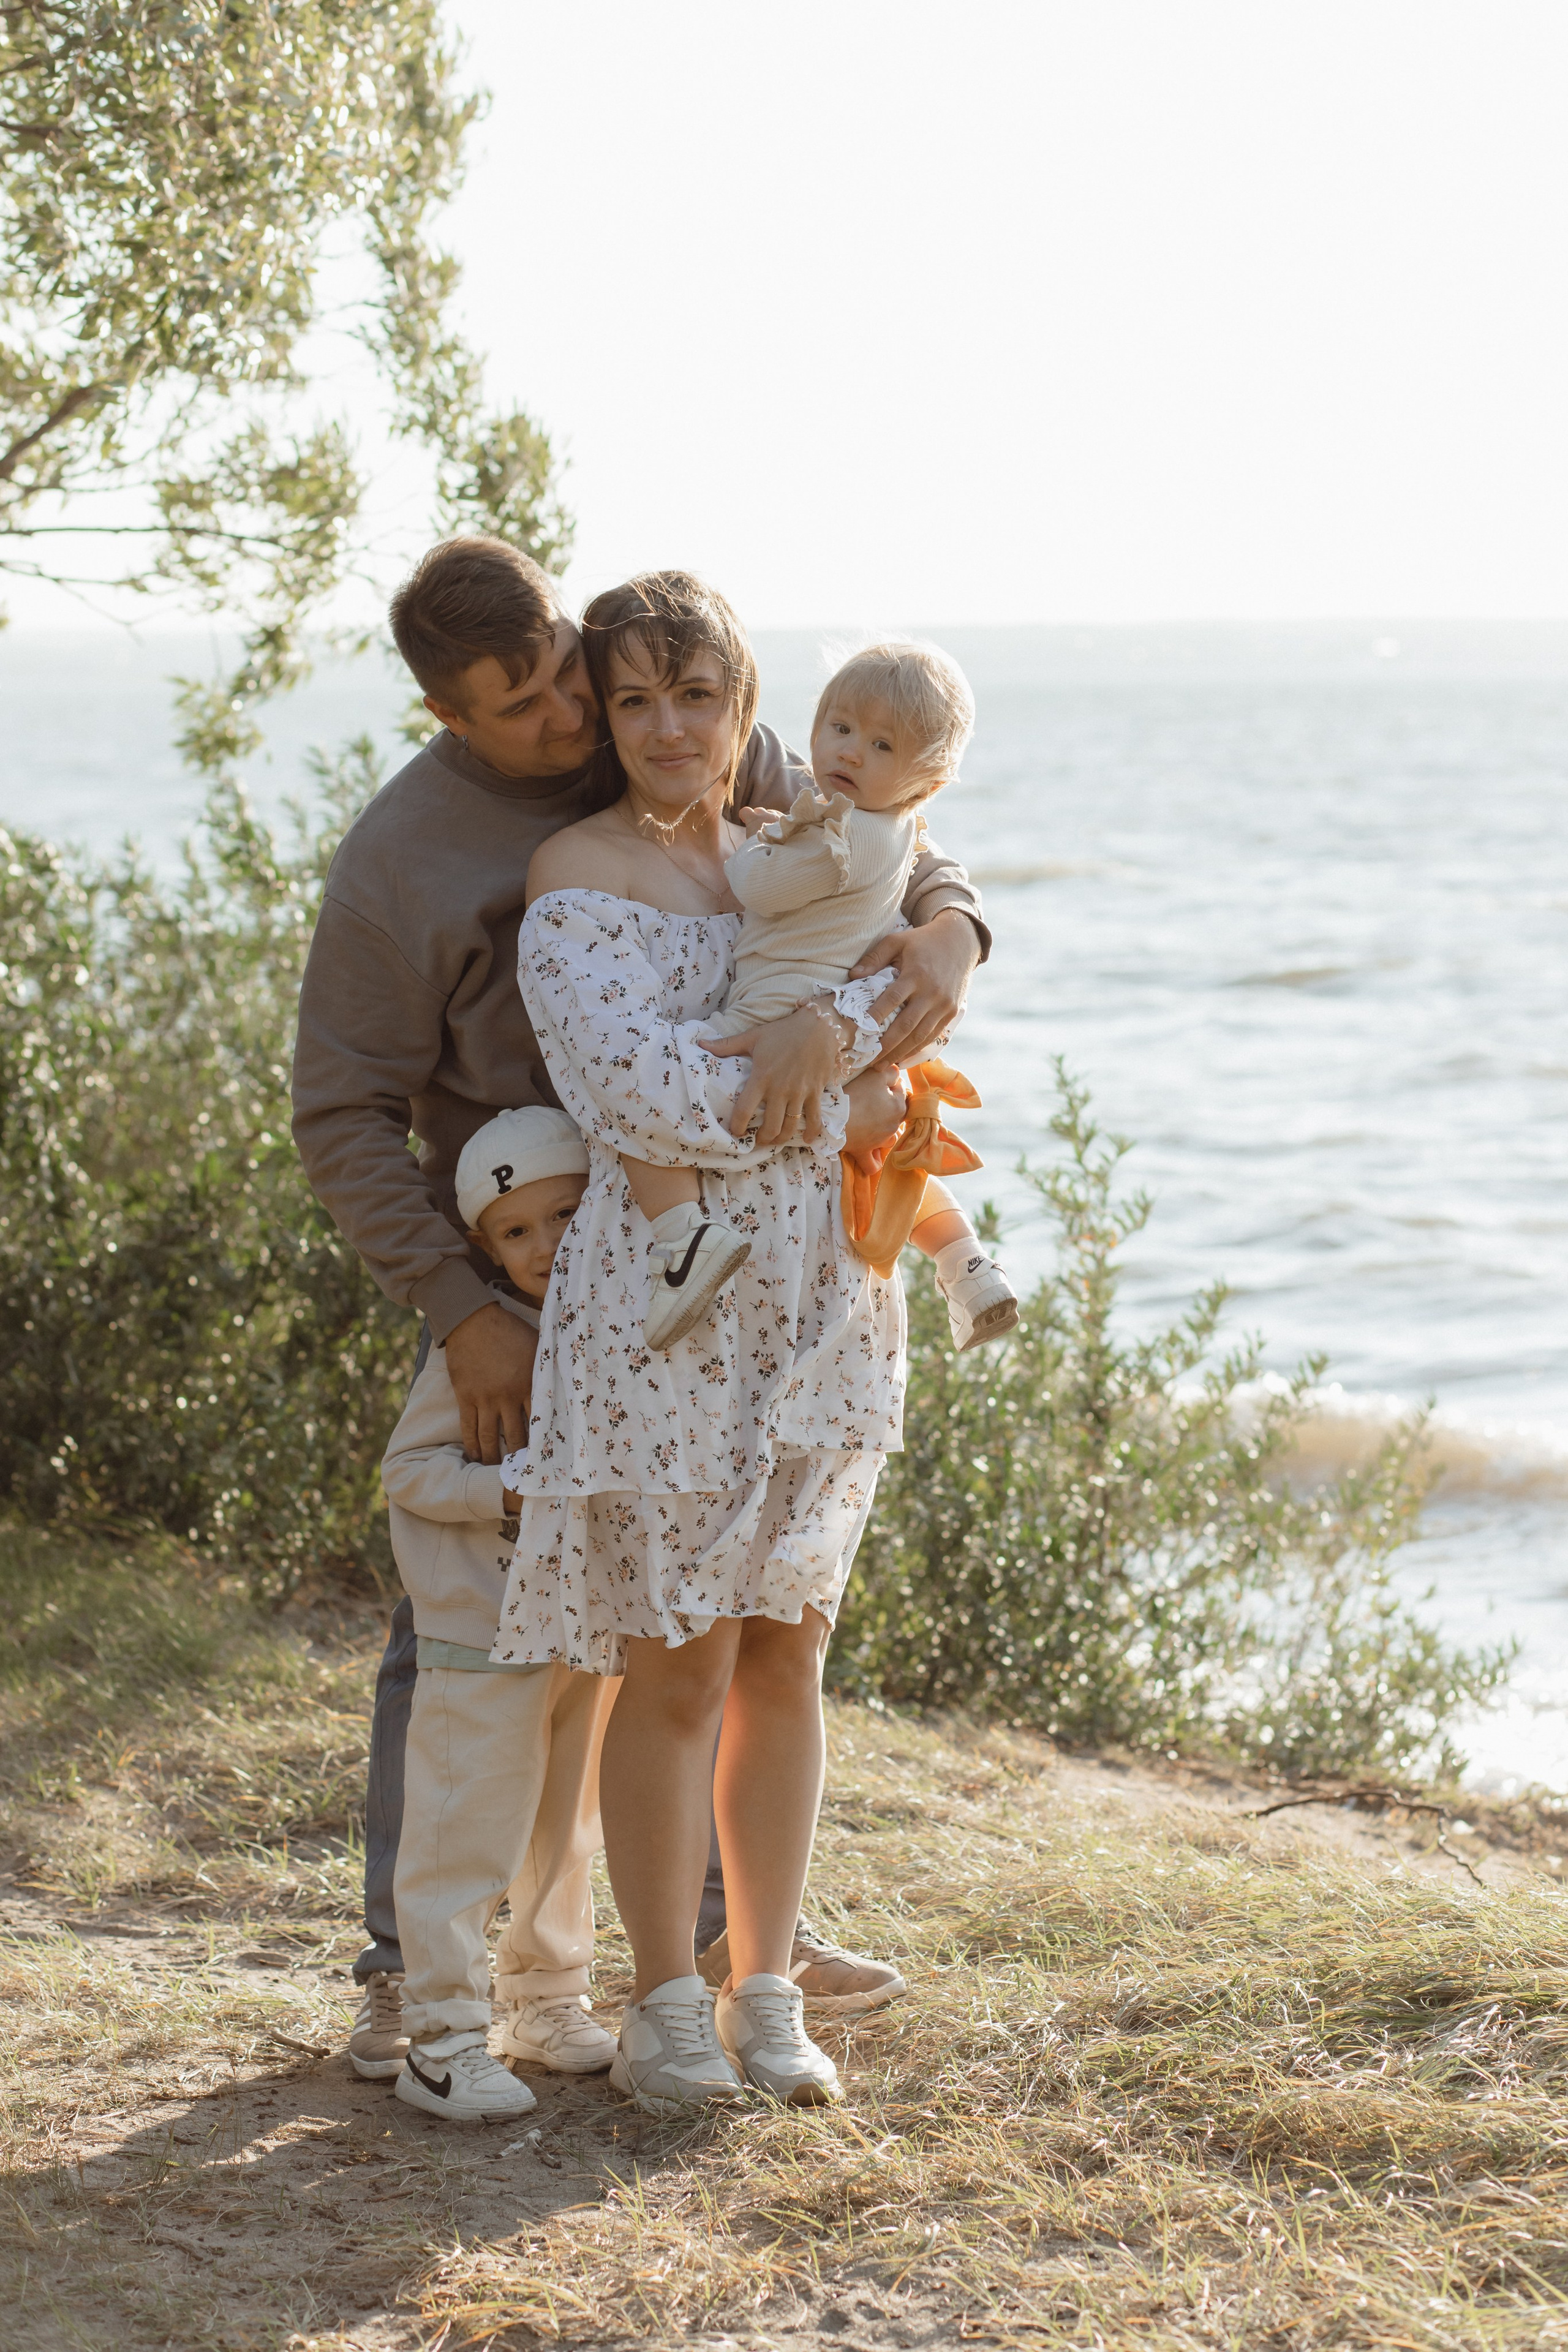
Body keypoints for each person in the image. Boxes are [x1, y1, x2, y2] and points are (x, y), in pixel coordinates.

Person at [289, 535, 990, 2079]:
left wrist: (951, 923)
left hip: (786, 1270)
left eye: (570, 679)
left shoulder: (706, 745)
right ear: (447, 711)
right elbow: (345, 1112)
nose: (570, 720)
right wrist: (464, 1311)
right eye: (540, 704)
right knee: (491, 1637)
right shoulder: (416, 857)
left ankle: (745, 1955)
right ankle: (430, 1977)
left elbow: (873, 824)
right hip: (532, 1255)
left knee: (753, 1629)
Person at [489, 571, 913, 2115]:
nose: (669, 729)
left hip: (825, 1288)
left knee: (788, 1649)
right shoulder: (572, 870)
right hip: (667, 1306)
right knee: (674, 1661)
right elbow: (638, 1097)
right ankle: (662, 1994)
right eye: (635, 701)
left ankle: (767, 1987)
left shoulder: (794, 845)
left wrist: (848, 1025)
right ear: (603, 716)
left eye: (696, 696)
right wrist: (819, 1055)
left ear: (745, 706)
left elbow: (906, 958)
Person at [616, 638, 1016, 1351]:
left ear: (925, 781)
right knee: (870, 1150)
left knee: (641, 1099)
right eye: (839, 728)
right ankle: (964, 1260)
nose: (850, 752)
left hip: (776, 1010)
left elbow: (754, 885)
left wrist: (763, 846)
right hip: (840, 1005)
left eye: (881, 744)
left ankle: (685, 1240)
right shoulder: (888, 826)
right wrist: (794, 832)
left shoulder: (839, 831)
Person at [382, 1106, 617, 2124]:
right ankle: (437, 2038)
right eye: (516, 1231)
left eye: (564, 1216)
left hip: (580, 1630)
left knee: (565, 1826)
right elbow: (409, 1473)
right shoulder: (477, 1352)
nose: (544, 1246)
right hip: (481, 1628)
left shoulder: (618, 1333)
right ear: (485, 1244)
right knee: (462, 1830)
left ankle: (547, 2001)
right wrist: (506, 1491)